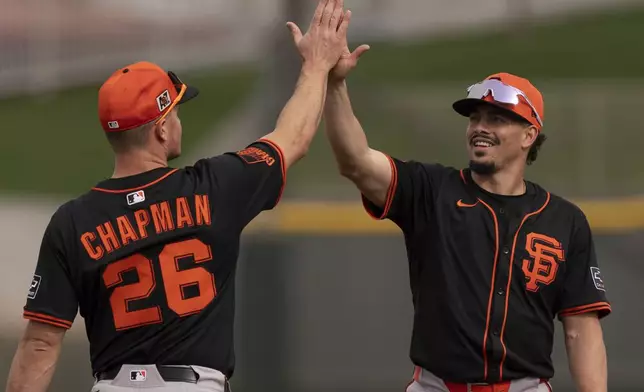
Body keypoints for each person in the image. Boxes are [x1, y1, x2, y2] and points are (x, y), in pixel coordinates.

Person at [5, 1, 351, 391]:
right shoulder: (214, 187)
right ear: (162, 129)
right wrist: (318, 66)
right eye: (176, 113)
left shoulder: (72, 222)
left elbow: (40, 344)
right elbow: (293, 138)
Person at [323, 41, 611, 391]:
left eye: (497, 118)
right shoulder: (431, 190)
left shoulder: (565, 220)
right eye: (475, 117)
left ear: (529, 135)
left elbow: (581, 329)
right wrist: (335, 84)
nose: (480, 127)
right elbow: (355, 160)